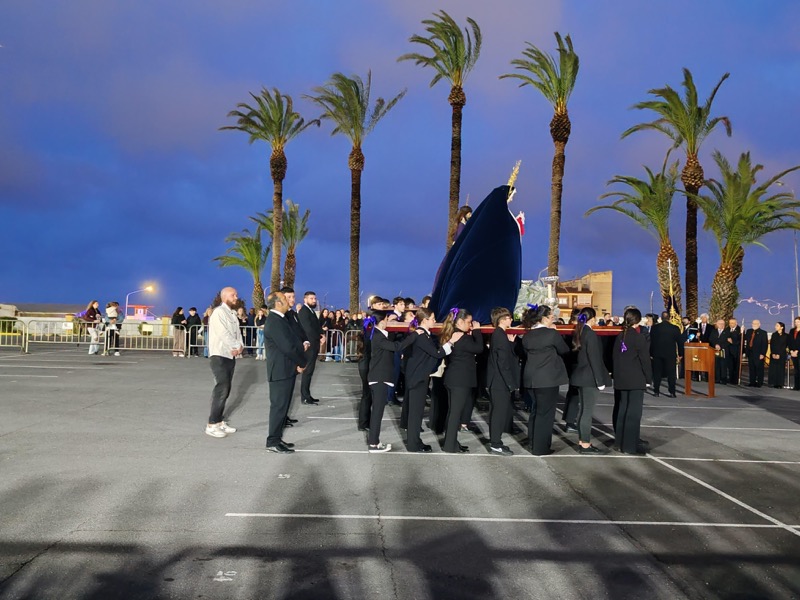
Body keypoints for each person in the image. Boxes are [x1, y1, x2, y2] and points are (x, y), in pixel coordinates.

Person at [402, 307, 453, 452]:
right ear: (424, 320)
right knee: (415, 413)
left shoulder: (424, 335)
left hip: (418, 377)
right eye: (432, 318)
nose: (435, 321)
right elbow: (436, 353)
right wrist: (450, 343)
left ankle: (415, 441)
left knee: (416, 413)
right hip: (417, 378)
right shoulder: (421, 336)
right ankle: (413, 444)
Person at [522, 304, 570, 456]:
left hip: (531, 378)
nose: (553, 319)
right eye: (551, 317)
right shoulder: (551, 334)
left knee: (535, 411)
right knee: (546, 414)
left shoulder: (528, 335)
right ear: (544, 318)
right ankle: (540, 447)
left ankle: (532, 442)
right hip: (547, 379)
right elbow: (564, 350)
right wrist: (555, 333)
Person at [264, 292, 307, 454]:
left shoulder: (281, 319)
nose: (288, 302)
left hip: (287, 369)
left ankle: (277, 438)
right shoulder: (275, 321)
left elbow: (293, 340)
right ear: (277, 303)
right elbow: (287, 347)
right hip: (280, 371)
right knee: (278, 407)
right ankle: (272, 442)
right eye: (284, 299)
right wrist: (302, 362)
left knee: (283, 407)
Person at [441, 308, 483, 453]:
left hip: (453, 378)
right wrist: (477, 331)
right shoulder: (462, 337)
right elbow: (479, 348)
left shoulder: (454, 335)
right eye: (469, 322)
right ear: (460, 322)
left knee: (453, 412)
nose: (471, 325)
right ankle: (450, 445)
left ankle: (452, 442)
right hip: (460, 380)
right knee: (455, 413)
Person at [569, 307, 611, 454]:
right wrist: (600, 381)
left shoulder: (579, 331)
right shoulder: (590, 334)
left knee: (583, 411)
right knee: (587, 412)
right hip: (589, 378)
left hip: (581, 376)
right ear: (592, 319)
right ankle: (585, 444)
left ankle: (583, 441)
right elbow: (595, 359)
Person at [366, 309, 409, 452]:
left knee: (377, 412)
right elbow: (396, 346)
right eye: (387, 319)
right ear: (381, 321)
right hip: (379, 378)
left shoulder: (379, 334)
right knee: (377, 413)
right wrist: (414, 335)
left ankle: (375, 442)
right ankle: (373, 444)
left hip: (379, 378)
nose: (389, 322)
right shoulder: (378, 336)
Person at [612, 307, 652, 455]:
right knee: (633, 413)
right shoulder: (638, 337)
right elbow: (645, 360)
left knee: (622, 410)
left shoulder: (620, 336)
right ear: (638, 320)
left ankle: (619, 442)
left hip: (622, 378)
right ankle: (629, 446)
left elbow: (615, 357)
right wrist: (648, 378)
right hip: (635, 379)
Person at [205, 287, 244, 439]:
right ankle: (212, 424)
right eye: (233, 295)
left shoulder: (232, 314)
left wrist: (240, 346)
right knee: (221, 388)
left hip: (230, 355)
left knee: (226, 389)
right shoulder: (218, 312)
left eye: (236, 294)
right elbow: (223, 333)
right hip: (219, 355)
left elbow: (237, 333)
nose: (236, 297)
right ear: (224, 297)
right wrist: (235, 346)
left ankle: (219, 421)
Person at [486, 307, 520, 456]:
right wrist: (510, 383)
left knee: (498, 412)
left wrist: (510, 344)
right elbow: (503, 363)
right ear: (502, 319)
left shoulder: (499, 335)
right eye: (509, 318)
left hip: (498, 381)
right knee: (498, 413)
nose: (511, 320)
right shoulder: (500, 336)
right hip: (500, 382)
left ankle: (496, 441)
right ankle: (495, 443)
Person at [279, 287, 311, 429]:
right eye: (289, 297)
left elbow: (299, 330)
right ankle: (280, 419)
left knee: (289, 390)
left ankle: (284, 416)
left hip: (296, 354)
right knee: (282, 393)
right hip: (287, 358)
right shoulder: (281, 316)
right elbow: (287, 338)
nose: (292, 299)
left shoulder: (292, 313)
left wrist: (305, 341)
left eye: (293, 296)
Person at [298, 291, 325, 404]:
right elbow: (308, 329)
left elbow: (316, 326)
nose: (314, 300)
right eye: (311, 298)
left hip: (314, 344)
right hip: (310, 345)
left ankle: (307, 395)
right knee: (307, 371)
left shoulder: (311, 311)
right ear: (305, 299)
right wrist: (319, 336)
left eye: (314, 298)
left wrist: (322, 334)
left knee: (310, 371)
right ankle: (305, 397)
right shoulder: (304, 311)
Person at [650, 310, 682, 397]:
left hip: (657, 353)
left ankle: (656, 391)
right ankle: (672, 392)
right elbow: (679, 342)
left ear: (661, 318)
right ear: (669, 318)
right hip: (670, 354)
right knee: (671, 374)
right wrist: (680, 354)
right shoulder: (675, 328)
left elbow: (651, 342)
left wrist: (651, 353)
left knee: (657, 373)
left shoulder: (654, 328)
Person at [744, 320, 768, 387]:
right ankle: (752, 382)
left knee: (759, 369)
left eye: (756, 323)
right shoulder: (749, 331)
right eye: (753, 323)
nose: (754, 324)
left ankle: (759, 383)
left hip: (758, 353)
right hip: (750, 353)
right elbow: (744, 339)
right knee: (751, 368)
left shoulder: (763, 333)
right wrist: (742, 331)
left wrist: (763, 353)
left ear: (759, 324)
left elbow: (764, 344)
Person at [708, 318, 731, 384]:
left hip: (723, 350)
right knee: (716, 364)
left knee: (723, 365)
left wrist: (721, 346)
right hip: (715, 350)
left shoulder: (727, 332)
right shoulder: (714, 331)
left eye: (723, 324)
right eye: (720, 324)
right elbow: (711, 339)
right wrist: (715, 345)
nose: (721, 325)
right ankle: (717, 379)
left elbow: (728, 341)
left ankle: (723, 379)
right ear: (717, 324)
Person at [767, 322, 789, 388]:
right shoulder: (774, 335)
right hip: (773, 354)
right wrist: (773, 353)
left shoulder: (786, 336)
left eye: (777, 325)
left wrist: (779, 354)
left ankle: (779, 384)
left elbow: (784, 346)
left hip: (781, 355)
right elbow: (772, 345)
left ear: (782, 327)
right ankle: (772, 382)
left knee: (780, 369)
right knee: (773, 369)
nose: (775, 327)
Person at [726, 317, 742, 385]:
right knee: (730, 366)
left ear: (736, 323)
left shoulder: (740, 330)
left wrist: (732, 342)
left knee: (736, 366)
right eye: (730, 323)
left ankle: (735, 380)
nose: (731, 324)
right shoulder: (727, 329)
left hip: (736, 351)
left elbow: (741, 340)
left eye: (732, 323)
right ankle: (730, 379)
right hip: (728, 351)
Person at [788, 317, 800, 390]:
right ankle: (797, 386)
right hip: (793, 353)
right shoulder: (792, 331)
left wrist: (797, 351)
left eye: (798, 322)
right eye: (795, 322)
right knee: (796, 370)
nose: (796, 323)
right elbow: (789, 341)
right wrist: (791, 350)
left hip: (799, 352)